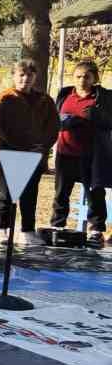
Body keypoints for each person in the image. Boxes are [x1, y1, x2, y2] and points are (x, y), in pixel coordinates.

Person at [0, 60, 57, 245]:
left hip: (35, 155)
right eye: (21, 74)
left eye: (29, 75)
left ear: (35, 77)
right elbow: (0, 126)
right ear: (13, 76)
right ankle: (0, 229)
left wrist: (42, 146)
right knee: (6, 194)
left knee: (30, 195)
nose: (25, 78)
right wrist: (19, 145)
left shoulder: (45, 100)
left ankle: (27, 230)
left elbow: (53, 127)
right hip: (9, 153)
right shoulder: (5, 98)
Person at [52, 59, 108, 245]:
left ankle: (96, 230)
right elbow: (54, 118)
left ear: (94, 78)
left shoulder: (104, 97)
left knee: (95, 194)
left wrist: (97, 117)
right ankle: (57, 225)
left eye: (86, 76)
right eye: (78, 76)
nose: (82, 80)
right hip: (65, 151)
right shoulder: (65, 93)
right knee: (61, 192)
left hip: (91, 154)